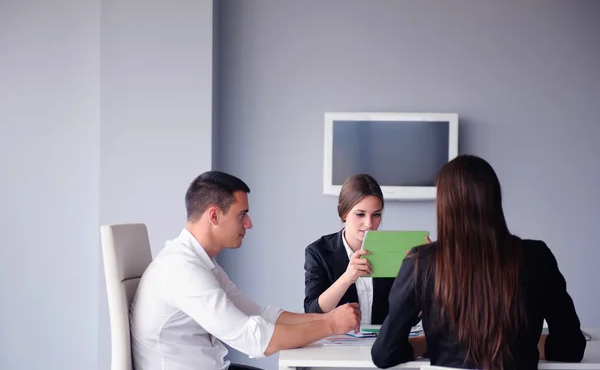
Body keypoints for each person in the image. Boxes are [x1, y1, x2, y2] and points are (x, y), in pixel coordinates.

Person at [371, 155, 587, 370]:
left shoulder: (421, 262)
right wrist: (522, 344)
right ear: (494, 199)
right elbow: (571, 348)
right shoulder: (537, 257)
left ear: (444, 204)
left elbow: (384, 354)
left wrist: (430, 343)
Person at [129, 171, 360, 370]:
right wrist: (331, 325)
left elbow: (260, 315)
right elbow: (255, 340)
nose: (249, 223)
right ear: (213, 215)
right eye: (242, 214)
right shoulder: (182, 270)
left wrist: (328, 318)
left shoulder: (201, 263)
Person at [304, 174, 397, 325]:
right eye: (360, 214)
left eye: (376, 215)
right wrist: (347, 277)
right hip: (337, 345)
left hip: (381, 345)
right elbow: (311, 312)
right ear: (344, 214)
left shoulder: (392, 250)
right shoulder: (318, 251)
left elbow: (409, 314)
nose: (369, 224)